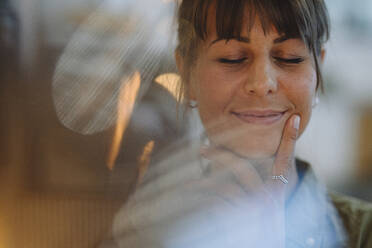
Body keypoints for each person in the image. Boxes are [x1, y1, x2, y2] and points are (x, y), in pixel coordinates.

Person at [109, 0, 372, 247]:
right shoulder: (137, 233)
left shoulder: (364, 232)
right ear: (187, 73)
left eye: (290, 57)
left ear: (318, 71)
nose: (262, 84)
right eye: (232, 58)